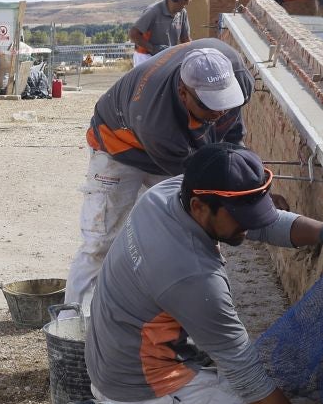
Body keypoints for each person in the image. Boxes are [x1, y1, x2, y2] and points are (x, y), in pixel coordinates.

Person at [84, 142, 323, 404]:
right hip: (142, 387)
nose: (247, 229)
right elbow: (246, 375)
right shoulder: (192, 276)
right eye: (241, 220)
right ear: (200, 207)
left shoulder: (170, 193)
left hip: (117, 357)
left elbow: (259, 224)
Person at [64, 38, 255, 308]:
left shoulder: (235, 73)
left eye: (224, 101)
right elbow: (195, 184)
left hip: (170, 146)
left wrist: (247, 185)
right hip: (119, 147)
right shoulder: (156, 121)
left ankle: (198, 308)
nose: (219, 110)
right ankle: (73, 321)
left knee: (192, 234)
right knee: (101, 242)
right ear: (183, 91)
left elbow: (231, 136)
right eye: (209, 105)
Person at [128, 0, 192, 66]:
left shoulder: (182, 13)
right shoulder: (153, 11)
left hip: (166, 56)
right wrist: (153, 48)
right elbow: (133, 34)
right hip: (146, 57)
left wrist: (194, 53)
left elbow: (185, 39)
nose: (188, 2)